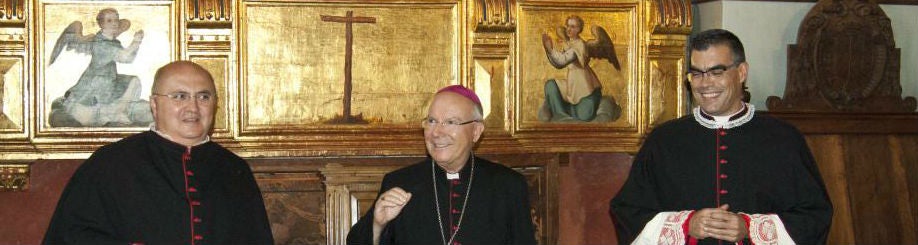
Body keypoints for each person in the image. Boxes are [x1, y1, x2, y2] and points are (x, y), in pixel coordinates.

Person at [609, 29, 832, 244]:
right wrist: (686, 225)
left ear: (742, 72)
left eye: (716, 72)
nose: (705, 83)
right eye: (696, 73)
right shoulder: (664, 140)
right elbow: (627, 213)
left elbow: (814, 216)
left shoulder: (783, 139)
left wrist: (750, 228)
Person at [43, 61, 274, 244]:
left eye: (203, 97)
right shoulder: (110, 164)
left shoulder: (234, 169)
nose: (193, 107)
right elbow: (71, 236)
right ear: (154, 105)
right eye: (180, 96)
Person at [347, 85, 537, 245]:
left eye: (450, 122)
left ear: (476, 131)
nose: (436, 132)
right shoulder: (399, 182)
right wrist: (377, 225)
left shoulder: (508, 186)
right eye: (431, 121)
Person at [49, 8, 151, 127]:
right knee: (94, 108)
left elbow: (129, 59)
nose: (114, 23)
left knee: (134, 81)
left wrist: (135, 44)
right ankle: (109, 115)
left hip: (110, 78)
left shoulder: (113, 42)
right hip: (97, 82)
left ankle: (117, 112)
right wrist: (136, 41)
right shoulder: (100, 43)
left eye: (116, 20)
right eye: (109, 21)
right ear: (101, 24)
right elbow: (124, 56)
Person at [540, 15, 619, 122]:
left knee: (584, 115)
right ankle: (560, 115)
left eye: (573, 27)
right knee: (550, 85)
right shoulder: (569, 43)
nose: (568, 29)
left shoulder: (580, 45)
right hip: (572, 84)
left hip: (585, 88)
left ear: (579, 30)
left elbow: (562, 61)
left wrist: (550, 49)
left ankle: (568, 111)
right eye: (567, 26)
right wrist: (548, 50)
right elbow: (557, 64)